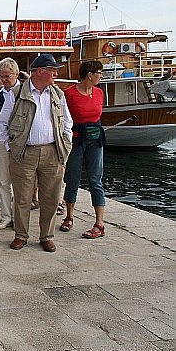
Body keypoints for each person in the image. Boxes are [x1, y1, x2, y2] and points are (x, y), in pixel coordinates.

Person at [0, 54, 73, 253]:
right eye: (53, 70)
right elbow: (2, 124)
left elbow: (67, 123)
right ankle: (20, 235)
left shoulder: (58, 94)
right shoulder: (16, 93)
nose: (56, 74)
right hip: (24, 153)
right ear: (40, 71)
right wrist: (10, 148)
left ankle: (46, 236)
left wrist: (65, 146)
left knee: (51, 197)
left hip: (52, 151)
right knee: (22, 197)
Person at [60, 60, 107, 239]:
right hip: (76, 140)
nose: (101, 76)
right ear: (90, 75)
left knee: (96, 179)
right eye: (99, 73)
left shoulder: (99, 93)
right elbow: (63, 117)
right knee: (72, 178)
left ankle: (99, 223)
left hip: (95, 139)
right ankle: (69, 217)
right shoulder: (69, 94)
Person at [0, 58, 20, 230]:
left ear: (16, 75)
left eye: (7, 76)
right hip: (0, 139)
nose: (4, 80)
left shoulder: (23, 92)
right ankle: (5, 216)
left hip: (18, 141)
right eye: (1, 76)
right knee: (3, 180)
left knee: (19, 181)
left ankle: (18, 216)